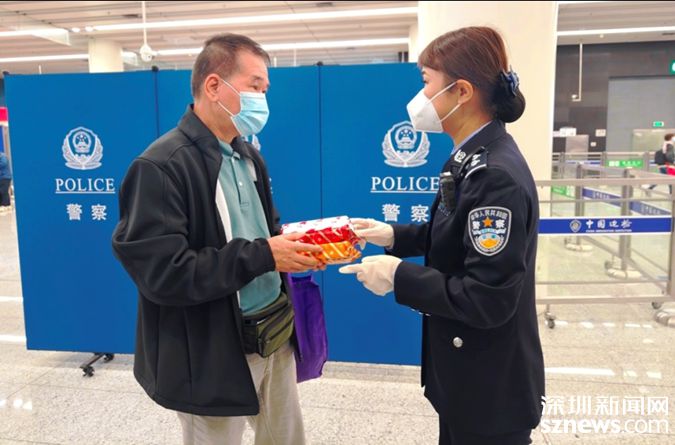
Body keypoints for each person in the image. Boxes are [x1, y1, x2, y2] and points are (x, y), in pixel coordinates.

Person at [112, 33, 324, 445]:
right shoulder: (162, 166)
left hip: (273, 333)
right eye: (255, 87)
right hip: (211, 348)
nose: (263, 99)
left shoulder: (247, 156)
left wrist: (295, 246)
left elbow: (267, 233)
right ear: (214, 86)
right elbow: (165, 274)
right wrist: (264, 254)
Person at [340, 26, 544, 445]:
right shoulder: (471, 158)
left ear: (462, 91)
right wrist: (391, 236)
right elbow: (454, 235)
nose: (420, 97)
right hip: (466, 376)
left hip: (489, 388)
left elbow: (488, 297)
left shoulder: (494, 175)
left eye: (426, 82)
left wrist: (399, 277)